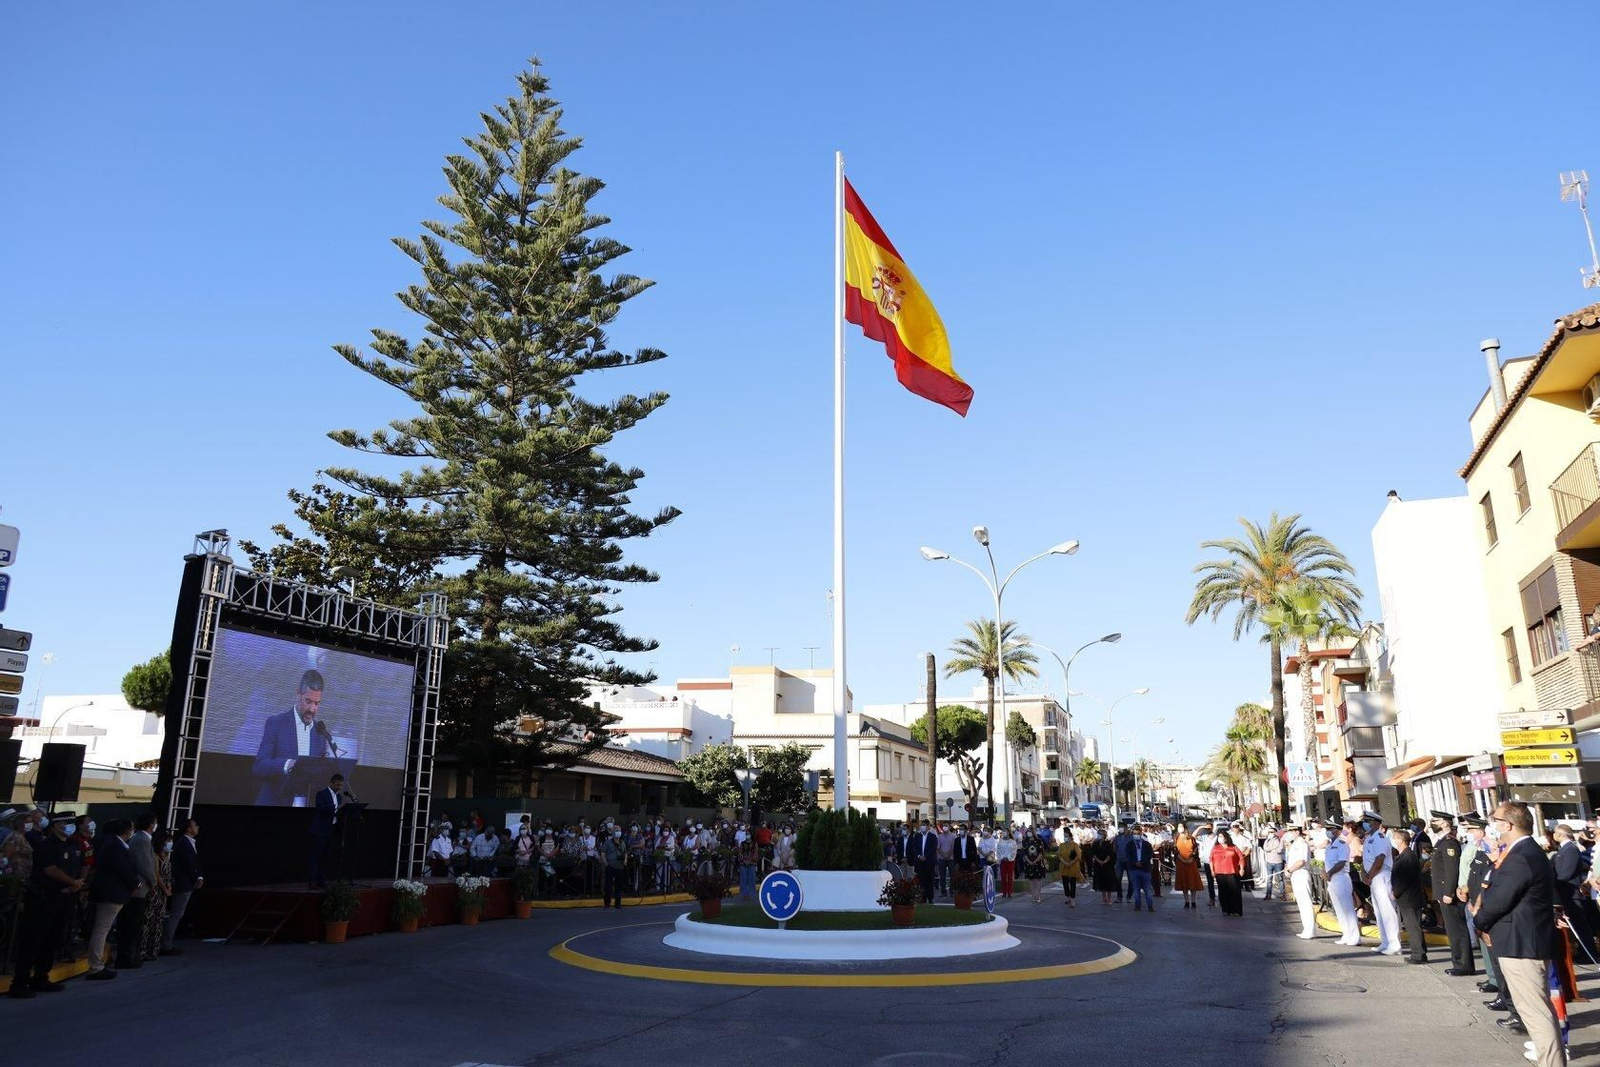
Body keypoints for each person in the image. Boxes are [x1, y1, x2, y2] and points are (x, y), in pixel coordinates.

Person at [1474, 802, 1562, 1067]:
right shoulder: (1522, 851)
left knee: (1535, 1013)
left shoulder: (1522, 854)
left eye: (1495, 819)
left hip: (1522, 944)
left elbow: (1501, 898)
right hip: (1520, 941)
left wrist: (1480, 920)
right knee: (1535, 1011)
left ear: (1507, 825)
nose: (1493, 824)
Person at [8, 809, 86, 998]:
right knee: (33, 940)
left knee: (52, 940)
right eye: (66, 823)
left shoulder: (72, 845)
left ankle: (41, 977)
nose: (70, 826)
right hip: (44, 898)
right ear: (56, 825)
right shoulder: (46, 846)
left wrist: (78, 883)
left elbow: (82, 865)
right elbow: (50, 870)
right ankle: (20, 982)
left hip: (64, 898)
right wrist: (72, 882)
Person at [252, 668, 338, 804]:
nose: (312, 709)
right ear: (298, 694)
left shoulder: (320, 734)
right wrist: (288, 765)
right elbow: (259, 766)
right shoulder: (276, 723)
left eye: (317, 703)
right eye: (308, 701)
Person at [83, 818, 139, 981]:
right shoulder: (115, 846)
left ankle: (97, 964)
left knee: (101, 928)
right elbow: (123, 868)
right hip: (111, 893)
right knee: (101, 929)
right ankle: (95, 966)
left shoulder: (111, 843)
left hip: (109, 892)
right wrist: (136, 883)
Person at [1427, 811, 1473, 976]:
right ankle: (1459, 962)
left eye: (1436, 820)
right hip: (1443, 892)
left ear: (1445, 823)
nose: (1432, 823)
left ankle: (1464, 965)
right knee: (1453, 930)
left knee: (1457, 930)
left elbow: (1452, 870)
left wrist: (1449, 893)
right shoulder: (1441, 842)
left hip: (1449, 893)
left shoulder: (1448, 843)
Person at [119, 811, 158, 970]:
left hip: (141, 888)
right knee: (131, 924)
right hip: (138, 890)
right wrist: (154, 882)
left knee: (135, 924)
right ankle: (126, 958)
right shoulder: (141, 840)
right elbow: (145, 866)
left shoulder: (143, 839)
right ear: (150, 824)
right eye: (155, 822)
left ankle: (131, 955)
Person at [1550, 824, 1595, 962]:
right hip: (1564, 892)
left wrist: (1554, 882)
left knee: (1579, 925)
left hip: (1570, 891)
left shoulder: (1570, 849)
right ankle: (1583, 952)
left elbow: (1567, 872)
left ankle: (1588, 954)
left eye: (1555, 833)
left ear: (1560, 834)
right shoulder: (1563, 849)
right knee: (1575, 924)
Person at [161, 816, 202, 955]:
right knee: (176, 914)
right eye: (195, 825)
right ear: (189, 829)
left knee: (177, 914)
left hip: (186, 883)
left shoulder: (188, 842)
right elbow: (188, 864)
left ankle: (166, 943)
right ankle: (166, 945)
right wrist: (196, 878)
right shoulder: (183, 843)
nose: (197, 827)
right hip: (183, 884)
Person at [1361, 811, 1401, 955]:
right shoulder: (1369, 838)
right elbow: (1366, 859)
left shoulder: (1379, 837)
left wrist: (1370, 875)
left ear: (1376, 823)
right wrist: (1365, 875)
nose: (1366, 824)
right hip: (1373, 877)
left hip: (1381, 875)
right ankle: (1385, 941)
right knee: (1379, 911)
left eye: (1368, 821)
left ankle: (1394, 943)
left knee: (1387, 910)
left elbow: (1380, 859)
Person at [1388, 828, 1427, 963]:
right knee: (1412, 926)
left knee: (1413, 927)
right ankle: (1419, 952)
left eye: (1395, 838)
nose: (1393, 840)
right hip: (1407, 897)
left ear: (1401, 840)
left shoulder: (1408, 856)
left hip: (1410, 897)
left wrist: (1396, 892)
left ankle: (1418, 954)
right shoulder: (1404, 855)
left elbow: (1405, 878)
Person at [138, 829, 173, 962]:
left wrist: (169, 887)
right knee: (148, 920)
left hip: (164, 893)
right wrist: (164, 888)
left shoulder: (166, 857)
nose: (170, 844)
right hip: (155, 892)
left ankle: (153, 950)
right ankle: (143, 950)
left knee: (158, 922)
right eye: (168, 841)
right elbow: (156, 875)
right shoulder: (155, 857)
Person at [1325, 822, 1361, 945]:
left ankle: (1355, 936)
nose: (1328, 831)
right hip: (1332, 880)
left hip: (1341, 877)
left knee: (1347, 908)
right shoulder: (1330, 845)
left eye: (1330, 829)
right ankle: (1346, 934)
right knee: (1339, 909)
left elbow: (1341, 862)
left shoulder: (1342, 844)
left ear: (1337, 830)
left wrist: (1329, 873)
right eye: (1327, 829)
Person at [308, 773, 346, 888]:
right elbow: (320, 808)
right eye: (337, 785)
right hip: (320, 830)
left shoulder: (339, 797)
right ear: (331, 783)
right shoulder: (321, 794)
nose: (339, 787)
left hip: (331, 830)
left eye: (341, 785)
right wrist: (334, 806)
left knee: (326, 856)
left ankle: (321, 880)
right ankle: (312, 881)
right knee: (316, 856)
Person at [1283, 825, 1316, 939]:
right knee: (1301, 903)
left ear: (1297, 832)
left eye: (1291, 831)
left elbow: (1301, 861)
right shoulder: (1294, 844)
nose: (1289, 833)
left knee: (1305, 902)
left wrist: (1289, 870)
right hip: (1295, 874)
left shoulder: (1302, 844)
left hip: (1301, 873)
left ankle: (1310, 929)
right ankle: (1306, 928)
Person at [1211, 830, 1246, 917]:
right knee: (1223, 892)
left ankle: (1236, 910)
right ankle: (1225, 909)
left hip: (1232, 872)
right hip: (1220, 873)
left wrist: (1241, 869)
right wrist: (1212, 871)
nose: (1220, 839)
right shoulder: (1215, 848)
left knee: (1234, 891)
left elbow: (1241, 857)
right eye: (1219, 837)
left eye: (1222, 837)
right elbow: (1211, 860)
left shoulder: (1233, 847)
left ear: (1226, 838)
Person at [907, 820, 938, 903]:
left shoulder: (932, 836)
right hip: (919, 863)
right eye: (922, 825)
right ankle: (922, 898)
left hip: (929, 862)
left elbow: (933, 848)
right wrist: (919, 856)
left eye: (924, 825)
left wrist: (926, 856)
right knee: (921, 881)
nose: (923, 827)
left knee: (930, 881)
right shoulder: (917, 836)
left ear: (928, 827)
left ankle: (930, 898)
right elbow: (914, 848)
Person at [1126, 825, 1155, 912]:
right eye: (1134, 834)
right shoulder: (1130, 844)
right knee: (1136, 889)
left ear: (1141, 833)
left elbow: (1149, 855)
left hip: (1145, 869)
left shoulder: (1146, 844)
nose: (1136, 835)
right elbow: (1128, 855)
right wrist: (1135, 862)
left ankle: (1150, 906)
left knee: (1147, 889)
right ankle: (1137, 905)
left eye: (1137, 833)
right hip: (1134, 869)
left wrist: (1142, 862)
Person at [1173, 826, 1203, 909]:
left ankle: (1193, 901)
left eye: (1181, 826)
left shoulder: (1191, 838)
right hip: (1181, 862)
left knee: (1192, 881)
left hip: (1191, 862)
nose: (1180, 828)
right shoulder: (1176, 837)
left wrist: (1192, 858)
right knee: (1184, 881)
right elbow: (1175, 850)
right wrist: (1182, 859)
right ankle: (1186, 901)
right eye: (1178, 827)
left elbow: (1195, 848)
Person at [1088, 828, 1118, 905]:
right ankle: (1104, 899)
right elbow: (1093, 853)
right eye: (1098, 833)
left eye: (1100, 834)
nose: (1098, 835)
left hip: (1107, 865)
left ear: (1104, 835)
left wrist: (1104, 861)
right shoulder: (1095, 843)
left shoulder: (1108, 843)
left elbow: (1110, 854)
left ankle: (1109, 899)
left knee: (1108, 881)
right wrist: (1099, 861)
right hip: (1098, 865)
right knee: (1100, 881)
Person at [601, 825, 625, 910]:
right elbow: (603, 854)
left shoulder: (622, 842)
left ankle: (617, 903)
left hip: (620, 867)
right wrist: (606, 864)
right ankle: (607, 903)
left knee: (618, 887)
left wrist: (625, 860)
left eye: (619, 830)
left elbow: (625, 853)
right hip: (610, 866)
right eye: (616, 830)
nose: (618, 832)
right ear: (613, 832)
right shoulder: (608, 842)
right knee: (608, 886)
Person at [1058, 829, 1082, 909]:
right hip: (1064, 866)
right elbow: (1059, 855)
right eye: (1064, 836)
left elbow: (1078, 856)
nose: (1065, 838)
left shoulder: (1075, 845)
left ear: (1070, 837)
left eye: (1067, 836)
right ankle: (1067, 896)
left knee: (1072, 884)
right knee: (1065, 883)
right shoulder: (1062, 845)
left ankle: (1072, 899)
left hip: (1073, 866)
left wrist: (1071, 863)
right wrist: (1065, 863)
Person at [1196, 822, 1218, 907]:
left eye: (1209, 828)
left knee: (1220, 881)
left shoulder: (1217, 837)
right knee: (1210, 881)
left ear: (1212, 828)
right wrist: (1200, 827)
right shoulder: (1203, 837)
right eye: (1206, 829)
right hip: (1207, 861)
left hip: (1216, 861)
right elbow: (1193, 836)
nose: (1207, 830)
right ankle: (1211, 898)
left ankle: (1223, 898)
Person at [1261, 826, 1285, 900]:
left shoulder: (1279, 840)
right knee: (1269, 879)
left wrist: (1272, 849)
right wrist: (1274, 848)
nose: (1270, 833)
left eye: (1272, 832)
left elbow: (1279, 850)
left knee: (1280, 879)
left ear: (1275, 832)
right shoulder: (1267, 840)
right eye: (1269, 832)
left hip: (1278, 862)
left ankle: (1282, 894)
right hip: (1269, 862)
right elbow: (1265, 848)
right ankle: (1268, 894)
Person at [1021, 834, 1046, 903]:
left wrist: (1036, 860)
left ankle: (1038, 895)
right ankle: (1033, 895)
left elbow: (1041, 852)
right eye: (1028, 831)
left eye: (1030, 831)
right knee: (1031, 879)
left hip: (1037, 863)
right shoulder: (1025, 842)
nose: (1029, 833)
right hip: (1028, 863)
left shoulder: (1039, 841)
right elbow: (1024, 853)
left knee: (1038, 879)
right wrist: (1028, 861)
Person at [997, 829, 1018, 899]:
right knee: (1003, 877)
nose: (1004, 833)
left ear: (1008, 832)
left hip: (1010, 861)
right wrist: (1001, 858)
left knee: (1009, 876)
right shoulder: (1000, 841)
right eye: (1003, 832)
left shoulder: (1013, 842)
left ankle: (1009, 892)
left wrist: (1009, 858)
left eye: (1005, 832)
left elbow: (1014, 851)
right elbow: (998, 851)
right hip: (1003, 861)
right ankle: (1004, 892)